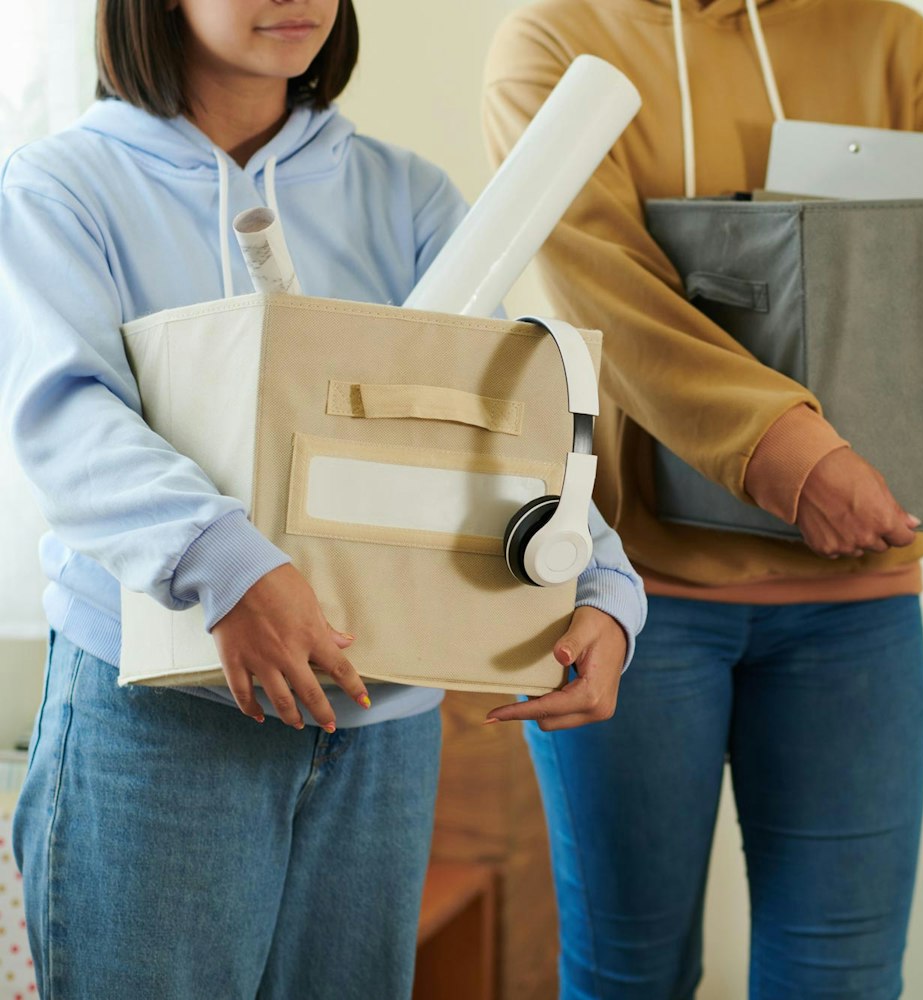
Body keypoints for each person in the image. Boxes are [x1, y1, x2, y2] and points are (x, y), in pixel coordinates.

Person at [0, 1, 647, 997]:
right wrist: (231, 566)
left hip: (377, 723)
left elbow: (499, 412)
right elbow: (66, 418)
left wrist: (601, 583)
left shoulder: (405, 196)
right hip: (161, 724)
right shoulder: (62, 186)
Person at [482, 1, 923, 997]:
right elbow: (603, 290)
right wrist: (787, 452)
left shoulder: (889, 36)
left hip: (855, 605)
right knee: (627, 976)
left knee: (839, 982)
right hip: (629, 598)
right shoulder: (552, 38)